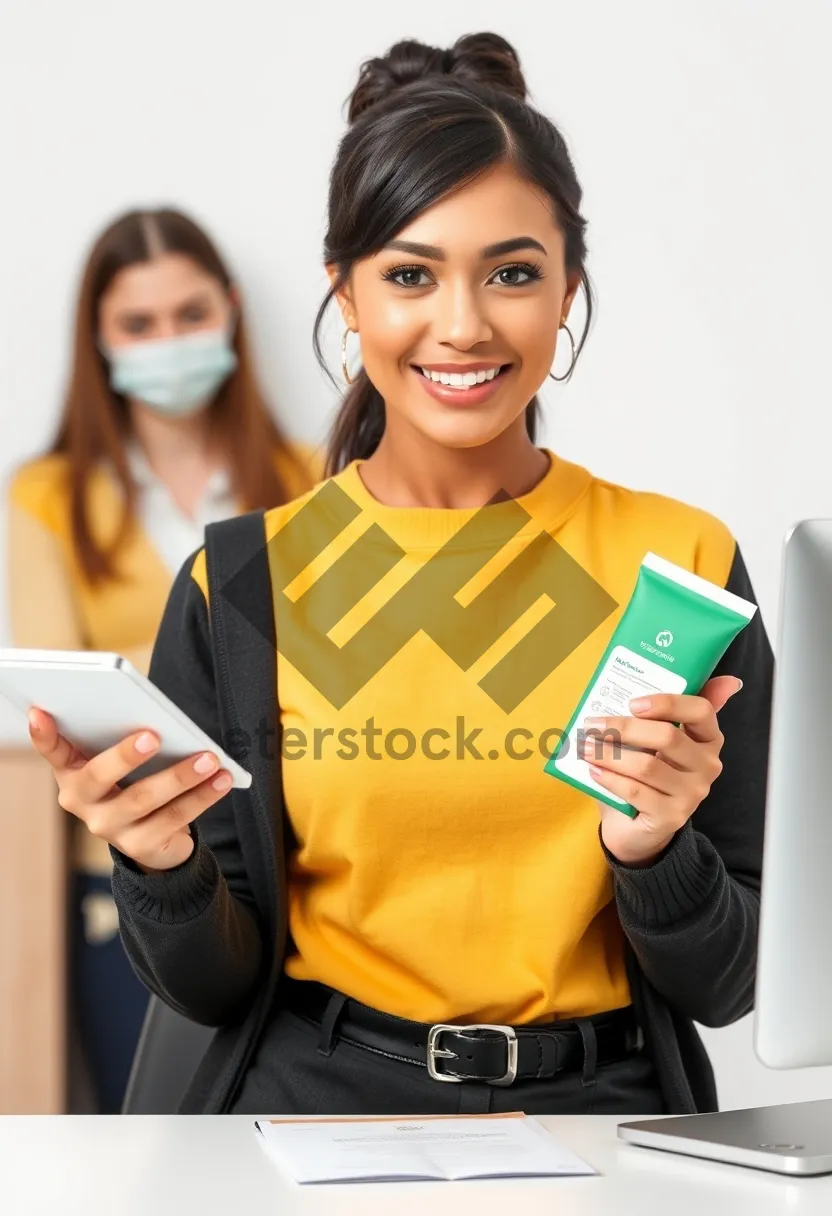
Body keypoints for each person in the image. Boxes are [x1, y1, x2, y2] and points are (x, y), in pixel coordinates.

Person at [27, 34, 772, 1117]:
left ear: (568, 288)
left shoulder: (682, 566)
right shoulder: (244, 581)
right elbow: (213, 986)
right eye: (410, 274)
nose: (461, 325)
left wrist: (650, 846)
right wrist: (161, 862)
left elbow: (731, 983)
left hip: (602, 1128)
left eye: (512, 272)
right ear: (348, 294)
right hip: (309, 1118)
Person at [7, 206, 321, 1112]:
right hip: (123, 865)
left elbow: (339, 671)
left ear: (228, 311)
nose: (168, 343)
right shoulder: (48, 496)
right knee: (137, 1137)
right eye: (138, 325)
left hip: (290, 860)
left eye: (189, 315)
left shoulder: (311, 478)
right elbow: (56, 686)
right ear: (98, 340)